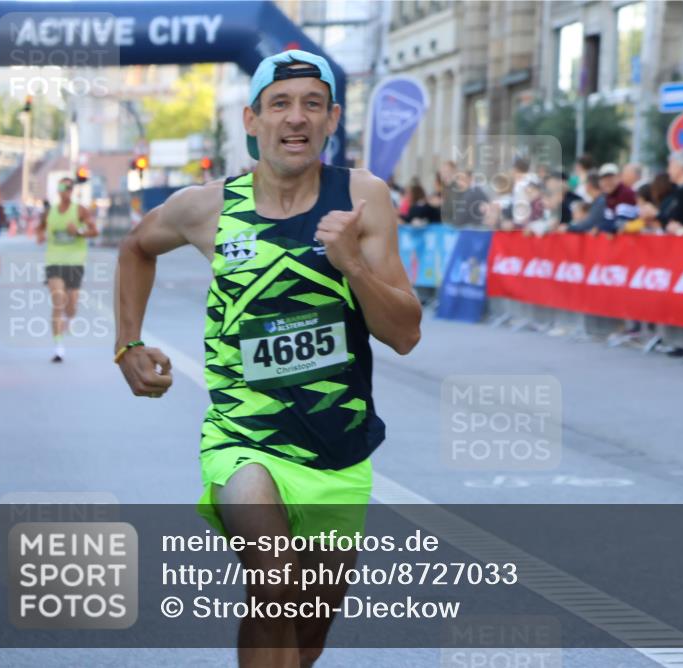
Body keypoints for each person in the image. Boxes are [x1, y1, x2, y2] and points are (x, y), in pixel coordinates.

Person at [114, 50, 421, 668]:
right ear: (252, 120)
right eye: (280, 104)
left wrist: (352, 264)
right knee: (275, 583)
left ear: (333, 118)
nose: (295, 118)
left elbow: (405, 333)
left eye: (312, 103)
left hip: (337, 444)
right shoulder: (207, 207)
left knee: (309, 622)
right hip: (242, 434)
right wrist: (128, 343)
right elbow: (135, 247)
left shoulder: (363, 199)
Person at [36, 177, 98, 363]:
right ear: (58, 190)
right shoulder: (50, 212)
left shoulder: (79, 210)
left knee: (71, 307)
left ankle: (69, 319)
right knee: (58, 301)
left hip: (75, 262)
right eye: (62, 187)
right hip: (54, 261)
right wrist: (39, 235)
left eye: (69, 187)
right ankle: (58, 347)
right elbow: (39, 228)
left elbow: (94, 231)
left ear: (72, 190)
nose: (66, 190)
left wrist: (78, 232)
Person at [598, 163, 639, 231]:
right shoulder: (607, 196)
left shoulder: (626, 193)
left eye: (610, 179)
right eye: (604, 179)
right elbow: (607, 220)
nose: (607, 182)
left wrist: (599, 227)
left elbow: (621, 223)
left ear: (619, 178)